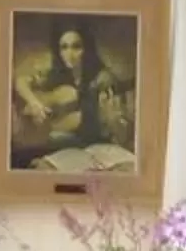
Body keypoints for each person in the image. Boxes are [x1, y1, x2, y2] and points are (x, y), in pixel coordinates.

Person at [13, 19, 134, 166]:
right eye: (64, 47)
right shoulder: (54, 75)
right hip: (52, 146)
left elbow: (117, 128)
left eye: (76, 47)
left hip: (84, 147)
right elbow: (20, 81)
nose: (69, 54)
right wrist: (34, 102)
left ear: (87, 48)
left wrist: (114, 118)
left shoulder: (101, 77)